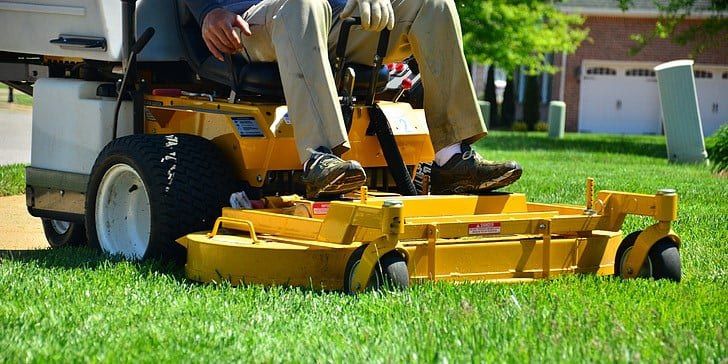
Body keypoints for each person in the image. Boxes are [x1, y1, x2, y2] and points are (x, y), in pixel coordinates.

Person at [184, 0, 522, 198]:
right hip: (250, 22)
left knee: (433, 4)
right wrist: (208, 11)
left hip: (331, 17)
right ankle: (321, 158)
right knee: (303, 5)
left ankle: (452, 159)